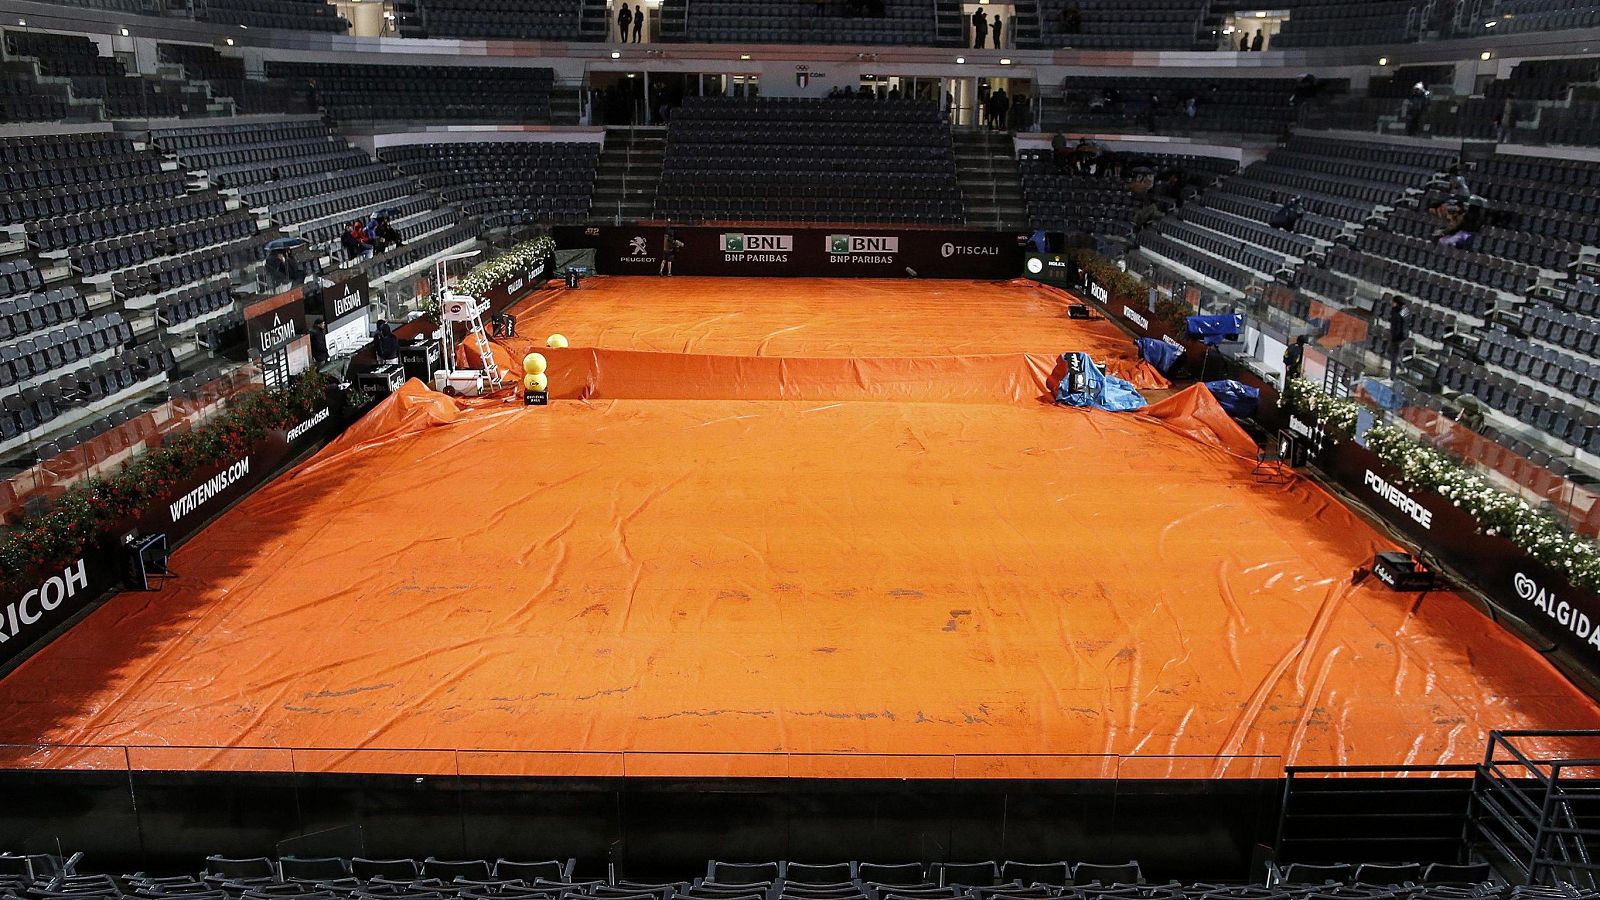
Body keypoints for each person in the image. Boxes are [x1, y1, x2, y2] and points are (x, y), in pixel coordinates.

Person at [1385, 295, 1408, 377]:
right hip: (1394, 336)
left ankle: (1392, 377)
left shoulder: (1404, 311)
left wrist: (1399, 339)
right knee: (1389, 352)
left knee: (1394, 359)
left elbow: (1404, 325)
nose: (1392, 303)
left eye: (1393, 302)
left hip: (1400, 338)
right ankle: (1402, 366)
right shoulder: (1394, 311)